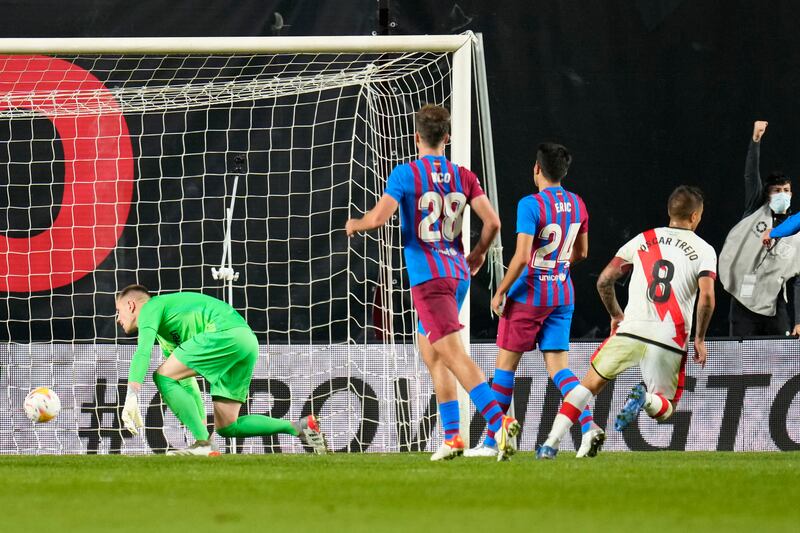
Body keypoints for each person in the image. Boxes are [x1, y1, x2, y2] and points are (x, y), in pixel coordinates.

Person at [345, 104, 519, 461]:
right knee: (433, 354)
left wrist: (355, 224)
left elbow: (379, 219)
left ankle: (499, 423)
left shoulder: (405, 174)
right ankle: (453, 438)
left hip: (429, 279)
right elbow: (494, 223)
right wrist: (480, 253)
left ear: (416, 137)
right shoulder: (463, 175)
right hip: (456, 273)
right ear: (447, 137)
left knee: (453, 354)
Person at [536, 186, 716, 459]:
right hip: (669, 337)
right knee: (666, 408)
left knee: (587, 387)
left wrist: (616, 315)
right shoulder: (703, 250)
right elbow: (707, 297)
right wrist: (700, 338)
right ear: (694, 217)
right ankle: (644, 399)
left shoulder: (642, 240)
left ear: (670, 212)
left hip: (630, 330)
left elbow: (604, 281)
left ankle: (550, 442)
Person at [464, 142, 604, 459]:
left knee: (505, 368)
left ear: (537, 169)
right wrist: (557, 267)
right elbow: (581, 253)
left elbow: (523, 256)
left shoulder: (531, 204)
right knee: (560, 370)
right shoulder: (578, 204)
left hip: (530, 294)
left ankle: (493, 442)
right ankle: (588, 425)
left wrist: (500, 291)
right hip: (562, 293)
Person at [116, 285, 328, 455]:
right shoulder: (166, 334)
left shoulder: (152, 307)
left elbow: (142, 352)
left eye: (119, 311)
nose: (118, 319)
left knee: (161, 376)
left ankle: (204, 446)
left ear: (131, 305)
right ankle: (298, 427)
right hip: (246, 342)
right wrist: (201, 433)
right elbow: (187, 384)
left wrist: (132, 394)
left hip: (224, 334)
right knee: (227, 427)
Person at [719, 120, 800, 337]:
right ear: (767, 194)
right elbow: (750, 175)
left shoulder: (797, 230)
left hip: (775, 306)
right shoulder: (755, 209)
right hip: (743, 302)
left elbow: (799, 281)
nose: (782, 194)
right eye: (776, 190)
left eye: (786, 190)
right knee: (741, 363)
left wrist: (799, 320)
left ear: (791, 194)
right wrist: (755, 141)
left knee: (781, 361)